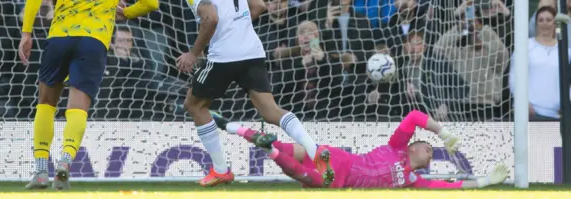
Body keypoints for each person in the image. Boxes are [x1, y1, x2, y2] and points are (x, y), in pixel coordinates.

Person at [19, 0, 159, 190]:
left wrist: (26, 31)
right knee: (78, 106)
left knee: (46, 103)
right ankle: (65, 162)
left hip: (60, 35)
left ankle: (39, 172)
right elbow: (151, 2)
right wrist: (126, 12)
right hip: (94, 40)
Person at [175, 0, 319, 187]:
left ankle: (221, 170)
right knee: (270, 111)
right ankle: (315, 151)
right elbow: (259, 5)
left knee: (194, 105)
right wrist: (238, 27)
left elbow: (209, 18)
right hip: (252, 49)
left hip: (224, 55)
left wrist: (193, 53)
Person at [212, 110, 509, 189]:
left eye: (432, 154)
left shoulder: (413, 182)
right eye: (427, 148)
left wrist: (484, 181)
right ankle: (232, 127)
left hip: (337, 178)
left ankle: (268, 151)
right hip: (340, 160)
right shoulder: (396, 147)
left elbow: (451, 186)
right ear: (413, 145)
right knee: (285, 149)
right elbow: (415, 117)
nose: (431, 154)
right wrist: (442, 132)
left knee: (307, 176)